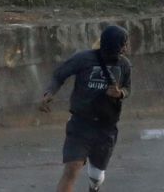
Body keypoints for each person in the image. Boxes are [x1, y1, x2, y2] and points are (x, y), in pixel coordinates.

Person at [38, 25, 132, 192]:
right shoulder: (83, 58)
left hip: (106, 129)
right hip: (80, 125)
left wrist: (119, 94)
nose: (126, 47)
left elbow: (127, 89)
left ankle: (94, 186)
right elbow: (59, 74)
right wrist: (50, 92)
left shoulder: (124, 65)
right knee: (71, 168)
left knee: (96, 176)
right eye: (124, 43)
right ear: (114, 44)